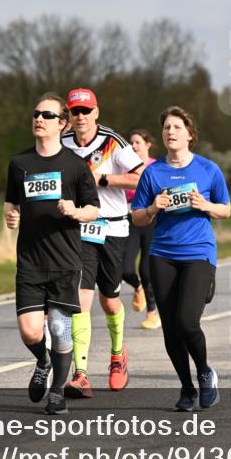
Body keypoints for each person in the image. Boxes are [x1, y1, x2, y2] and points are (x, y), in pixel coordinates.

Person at [4, 94, 100, 414]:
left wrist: (75, 211)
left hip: (64, 261)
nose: (39, 119)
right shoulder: (19, 164)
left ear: (62, 123)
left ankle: (57, 391)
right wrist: (11, 215)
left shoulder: (75, 166)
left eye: (47, 115)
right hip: (30, 260)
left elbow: (93, 210)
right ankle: (42, 361)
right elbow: (11, 203)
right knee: (30, 330)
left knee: (60, 330)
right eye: (36, 114)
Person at [131, 107, 231, 412]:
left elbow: (226, 209)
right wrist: (153, 208)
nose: (170, 132)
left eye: (176, 127)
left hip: (198, 252)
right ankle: (186, 388)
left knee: (187, 322)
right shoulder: (153, 173)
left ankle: (204, 372)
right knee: (171, 328)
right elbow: (136, 217)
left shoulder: (208, 169)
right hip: (162, 255)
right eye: (166, 128)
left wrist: (206, 205)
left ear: (189, 134)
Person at [61, 87, 144, 397]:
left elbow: (141, 177)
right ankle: (80, 373)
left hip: (112, 227)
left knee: (109, 301)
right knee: (80, 300)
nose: (80, 117)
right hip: (79, 228)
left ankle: (118, 355)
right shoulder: (63, 142)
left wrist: (103, 179)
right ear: (69, 115)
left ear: (96, 112)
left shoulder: (113, 142)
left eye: (86, 111)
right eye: (75, 111)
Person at [122, 129, 161, 330]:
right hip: (131, 220)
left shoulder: (157, 167)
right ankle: (138, 289)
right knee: (124, 268)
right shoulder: (125, 168)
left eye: (137, 142)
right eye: (131, 143)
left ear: (148, 144)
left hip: (153, 220)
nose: (133, 146)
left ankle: (152, 314)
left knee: (146, 270)